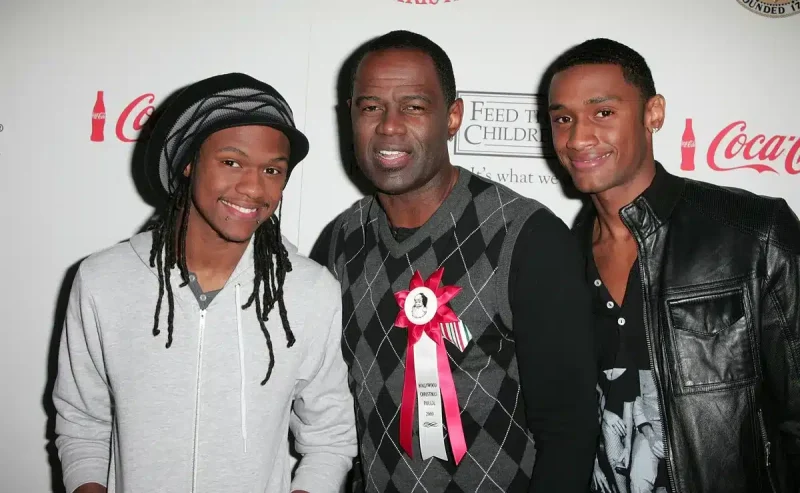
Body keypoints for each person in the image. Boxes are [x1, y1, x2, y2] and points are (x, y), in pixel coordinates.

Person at [312, 30, 597, 493]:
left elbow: (569, 430)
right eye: (370, 107)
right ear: (350, 117)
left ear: (453, 116)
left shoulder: (526, 237)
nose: (388, 125)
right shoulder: (340, 243)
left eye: (414, 106)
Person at [53, 73, 357, 493]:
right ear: (188, 161)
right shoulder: (103, 280)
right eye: (231, 162)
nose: (252, 187)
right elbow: (82, 423)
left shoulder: (308, 292)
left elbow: (330, 436)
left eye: (272, 169)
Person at [545, 38, 800, 493]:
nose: (578, 137)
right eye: (563, 118)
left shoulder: (754, 234)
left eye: (602, 112)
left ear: (653, 113)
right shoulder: (558, 257)